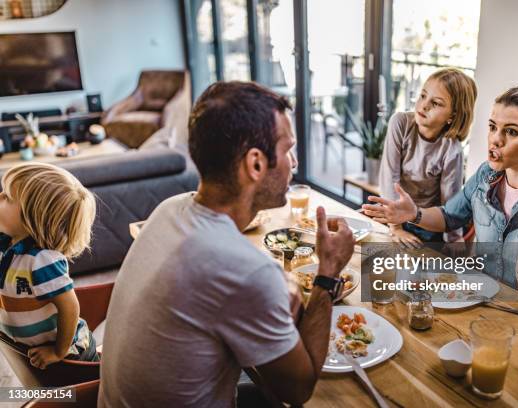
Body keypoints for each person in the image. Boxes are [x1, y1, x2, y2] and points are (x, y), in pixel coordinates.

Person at [99, 81, 356, 408]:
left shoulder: (168, 210)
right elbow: (298, 390)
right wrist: (328, 274)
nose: (294, 162)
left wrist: (273, 285)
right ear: (256, 164)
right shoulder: (244, 270)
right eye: (287, 150)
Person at [363, 85, 518, 314]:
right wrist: (414, 214)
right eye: (493, 127)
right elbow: (449, 217)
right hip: (484, 305)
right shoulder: (486, 174)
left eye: (511, 132)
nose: (495, 139)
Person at [0, 163, 98, 368]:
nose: (0, 197)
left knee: (69, 395)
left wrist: (58, 352)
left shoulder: (42, 261)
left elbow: (70, 307)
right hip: (28, 346)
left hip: (70, 355)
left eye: (7, 197)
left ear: (32, 217)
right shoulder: (7, 243)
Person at [378, 68, 477, 248]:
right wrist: (396, 227)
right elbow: (389, 179)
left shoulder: (452, 149)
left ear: (453, 115)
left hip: (427, 225)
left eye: (436, 103)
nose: (424, 105)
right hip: (394, 217)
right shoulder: (400, 123)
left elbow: (450, 202)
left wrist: (453, 242)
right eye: (423, 96)